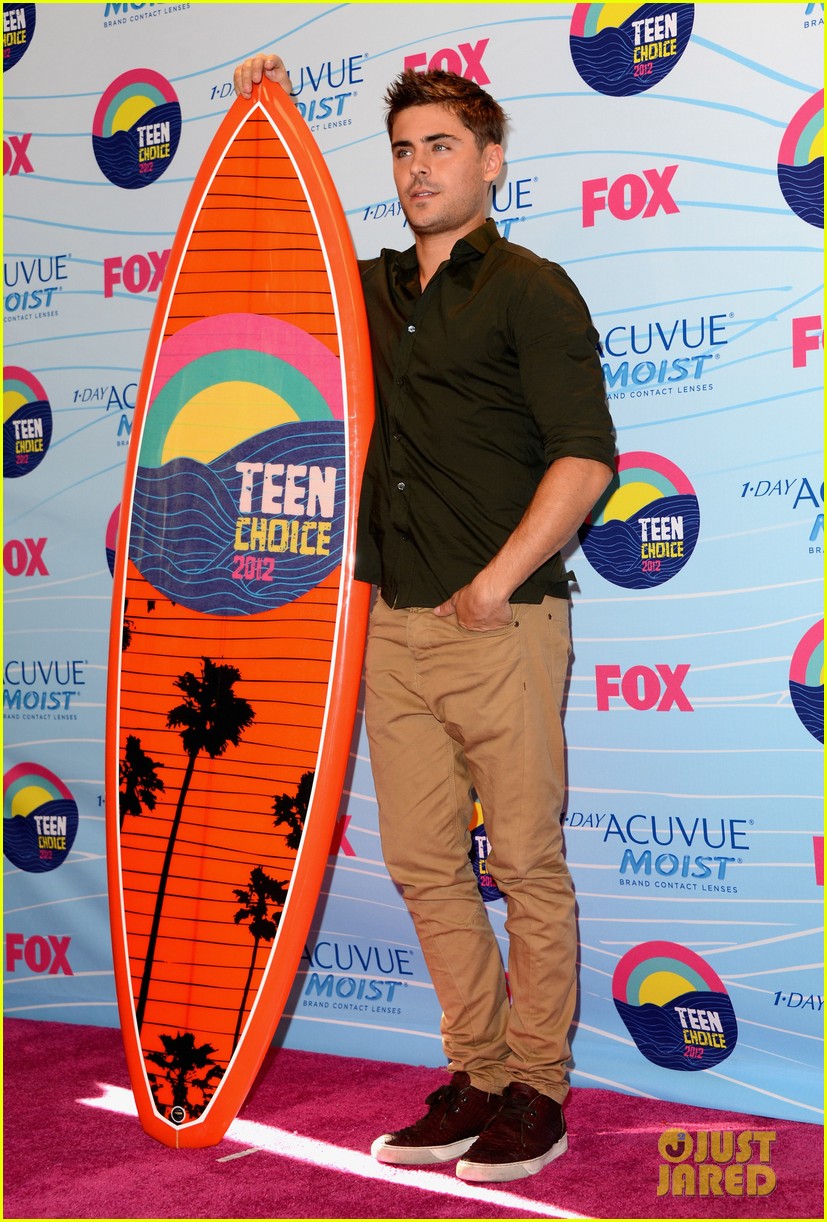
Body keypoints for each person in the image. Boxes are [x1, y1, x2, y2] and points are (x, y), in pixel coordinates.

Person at [234, 53, 615, 1183]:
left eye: (440, 146)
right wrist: (265, 117)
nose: (417, 168)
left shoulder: (531, 288)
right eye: (402, 150)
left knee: (525, 862)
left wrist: (495, 583)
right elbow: (260, 270)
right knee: (422, 863)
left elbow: (585, 460)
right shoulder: (365, 289)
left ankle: (537, 1091)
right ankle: (479, 1075)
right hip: (389, 630)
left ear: (490, 162)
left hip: (502, 623)